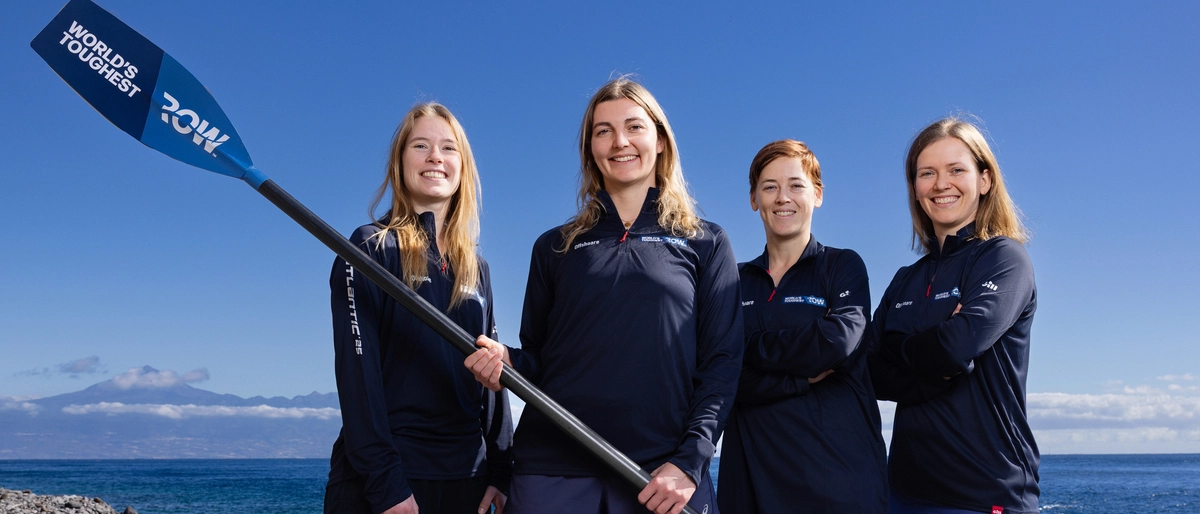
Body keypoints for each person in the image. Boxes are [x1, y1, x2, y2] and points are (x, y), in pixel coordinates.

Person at [465, 77, 743, 514]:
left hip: (660, 477)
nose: (619, 142)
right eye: (603, 131)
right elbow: (539, 360)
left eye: (634, 126)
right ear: (590, 150)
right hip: (551, 472)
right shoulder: (554, 246)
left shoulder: (705, 241)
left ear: (661, 141)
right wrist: (509, 362)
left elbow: (722, 363)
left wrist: (690, 462)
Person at [324, 102, 513, 514]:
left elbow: (490, 374)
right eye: (421, 146)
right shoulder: (370, 248)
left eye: (448, 148)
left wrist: (501, 468)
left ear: (463, 166)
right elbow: (358, 374)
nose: (435, 158)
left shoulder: (476, 267)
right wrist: (386, 484)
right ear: (400, 163)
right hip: (388, 484)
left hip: (468, 481)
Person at [867, 117, 1038, 514]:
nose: (941, 184)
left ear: (985, 179)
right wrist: (934, 368)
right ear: (915, 188)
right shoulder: (906, 279)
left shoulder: (1003, 258)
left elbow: (954, 346)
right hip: (904, 491)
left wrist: (905, 348)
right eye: (927, 173)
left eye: (956, 170)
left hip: (985, 494)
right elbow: (868, 368)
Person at [717, 140, 888, 513]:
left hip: (837, 481)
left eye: (796, 185)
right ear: (753, 199)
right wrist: (794, 379)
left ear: (818, 195)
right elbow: (717, 370)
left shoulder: (842, 267)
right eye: (769, 187)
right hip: (750, 484)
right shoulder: (732, 282)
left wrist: (746, 346)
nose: (783, 198)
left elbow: (836, 342)